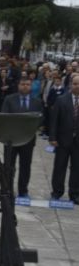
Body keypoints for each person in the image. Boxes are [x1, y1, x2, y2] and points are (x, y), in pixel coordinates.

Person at [1, 77, 43, 198]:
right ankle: (7, 189)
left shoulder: (37, 102)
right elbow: (4, 116)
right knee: (8, 166)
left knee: (25, 166)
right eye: (23, 84)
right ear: (18, 85)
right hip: (11, 139)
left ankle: (23, 190)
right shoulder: (9, 99)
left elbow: (40, 118)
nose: (25, 86)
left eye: (28, 84)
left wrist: (31, 128)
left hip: (28, 139)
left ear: (31, 86)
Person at [49, 74, 79, 203]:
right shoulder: (61, 100)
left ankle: (75, 193)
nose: (77, 86)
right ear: (70, 84)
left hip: (78, 142)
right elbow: (54, 120)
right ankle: (57, 192)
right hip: (62, 140)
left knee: (77, 168)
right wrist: (52, 137)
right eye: (75, 83)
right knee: (59, 166)